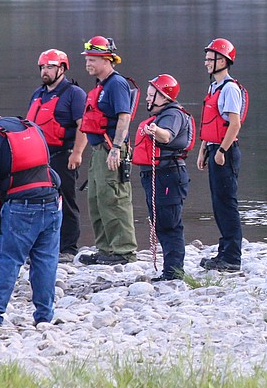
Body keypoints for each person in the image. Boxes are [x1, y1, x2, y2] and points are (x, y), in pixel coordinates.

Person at [0, 104, 61, 328]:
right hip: (52, 201)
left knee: (9, 261)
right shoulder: (30, 125)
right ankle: (45, 316)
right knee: (45, 261)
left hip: (20, 208)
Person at [76, 36, 140, 265]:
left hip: (111, 150)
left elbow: (124, 117)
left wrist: (116, 149)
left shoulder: (116, 84)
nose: (88, 64)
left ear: (107, 60)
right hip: (98, 151)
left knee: (114, 199)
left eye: (93, 59)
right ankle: (105, 249)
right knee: (96, 199)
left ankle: (123, 250)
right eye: (87, 59)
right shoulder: (100, 85)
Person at [132, 75, 195, 281]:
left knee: (169, 224)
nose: (148, 99)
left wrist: (155, 130)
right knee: (161, 222)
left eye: (152, 95)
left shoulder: (172, 115)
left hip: (168, 175)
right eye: (148, 95)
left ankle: (174, 272)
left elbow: (167, 136)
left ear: (165, 97)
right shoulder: (163, 114)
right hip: (159, 175)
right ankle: (171, 269)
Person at [27, 48, 87, 260]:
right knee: (40, 201)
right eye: (42, 67)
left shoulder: (74, 94)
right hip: (39, 158)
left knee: (66, 201)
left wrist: (77, 153)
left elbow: (84, 126)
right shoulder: (38, 94)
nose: (45, 71)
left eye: (50, 66)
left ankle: (69, 248)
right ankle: (44, 245)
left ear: (62, 68)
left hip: (64, 154)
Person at [197, 38, 248, 272]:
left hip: (224, 151)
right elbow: (211, 123)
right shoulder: (213, 88)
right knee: (218, 204)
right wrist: (203, 150)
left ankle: (232, 257)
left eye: (211, 58)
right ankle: (224, 252)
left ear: (224, 60)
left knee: (227, 205)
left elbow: (234, 124)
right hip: (214, 148)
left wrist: (221, 151)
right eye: (206, 58)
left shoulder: (230, 89)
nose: (206, 62)